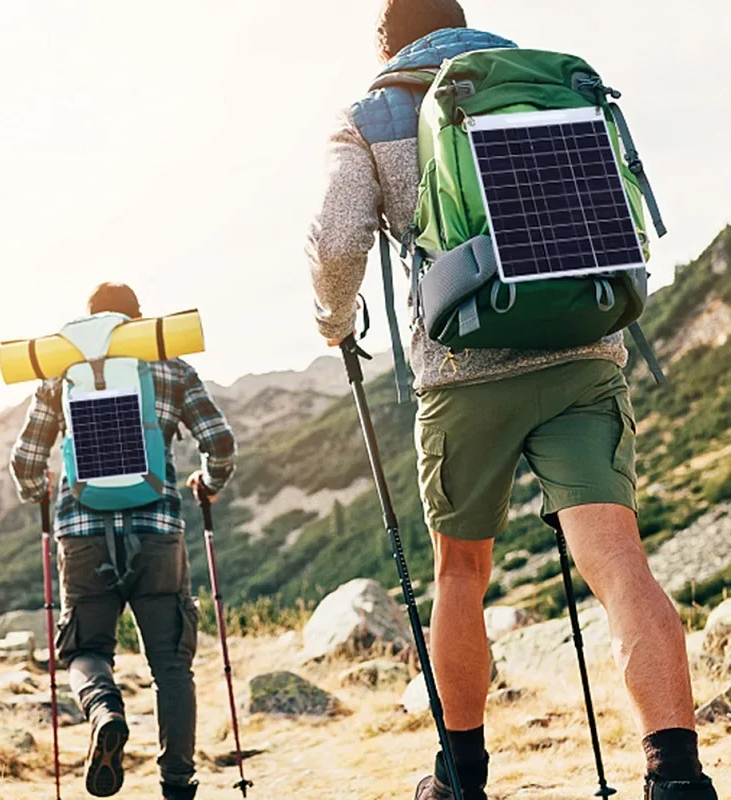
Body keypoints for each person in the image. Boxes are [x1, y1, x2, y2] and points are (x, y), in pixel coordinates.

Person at [306, 2, 717, 798]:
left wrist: (333, 319)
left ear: (387, 43)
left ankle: (461, 781)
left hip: (465, 373)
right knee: (623, 567)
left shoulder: (369, 113)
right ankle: (677, 778)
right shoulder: (552, 82)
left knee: (461, 574)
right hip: (585, 349)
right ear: (463, 23)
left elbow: (336, 239)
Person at [10, 282, 236, 800]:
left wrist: (36, 489)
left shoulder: (61, 371)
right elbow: (219, 442)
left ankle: (105, 709)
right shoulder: (170, 366)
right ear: (138, 322)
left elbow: (26, 460)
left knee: (86, 649)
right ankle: (177, 784)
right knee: (171, 665)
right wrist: (210, 482)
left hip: (82, 534)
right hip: (157, 534)